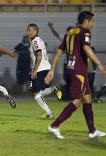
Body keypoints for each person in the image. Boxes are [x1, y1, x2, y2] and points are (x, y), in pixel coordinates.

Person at [45, 11, 106, 139]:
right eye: (92, 21)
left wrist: (52, 69)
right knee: (76, 101)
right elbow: (87, 49)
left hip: (71, 69)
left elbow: (59, 51)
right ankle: (54, 126)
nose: (93, 24)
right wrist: (99, 64)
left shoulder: (70, 33)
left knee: (88, 98)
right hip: (79, 71)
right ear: (86, 21)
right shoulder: (85, 32)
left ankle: (92, 131)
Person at [26, 23, 62, 119]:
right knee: (38, 92)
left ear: (35, 31)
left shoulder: (35, 41)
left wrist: (34, 70)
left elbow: (39, 55)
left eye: (29, 30)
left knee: (35, 93)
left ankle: (49, 113)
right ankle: (54, 90)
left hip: (40, 70)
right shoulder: (38, 40)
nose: (27, 32)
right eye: (27, 30)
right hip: (46, 68)